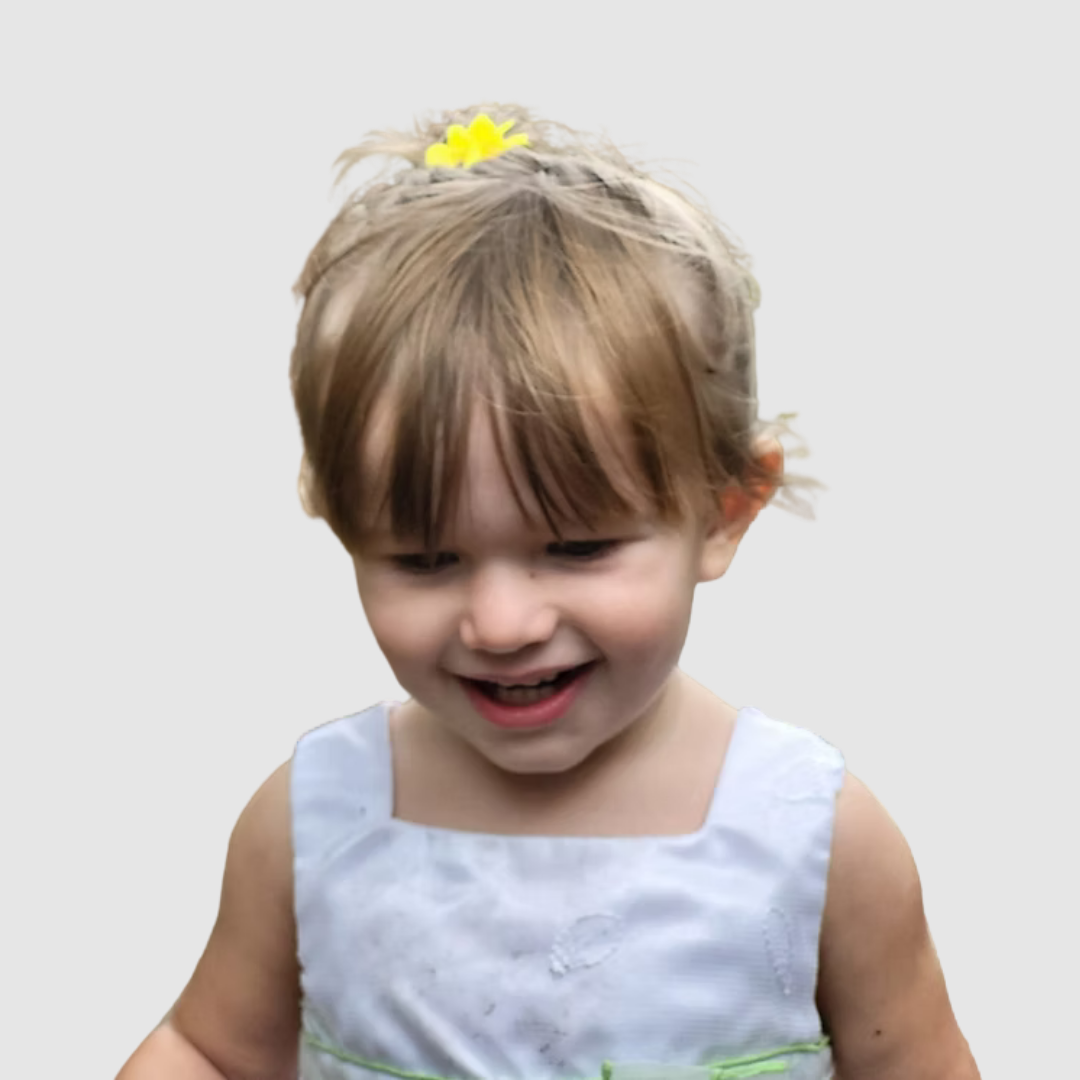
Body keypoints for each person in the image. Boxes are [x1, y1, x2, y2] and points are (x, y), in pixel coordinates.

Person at [118, 105, 980, 1080]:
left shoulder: (811, 835)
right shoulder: (315, 820)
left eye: (575, 547)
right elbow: (210, 1049)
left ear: (725, 509)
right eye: (425, 559)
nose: (501, 624)